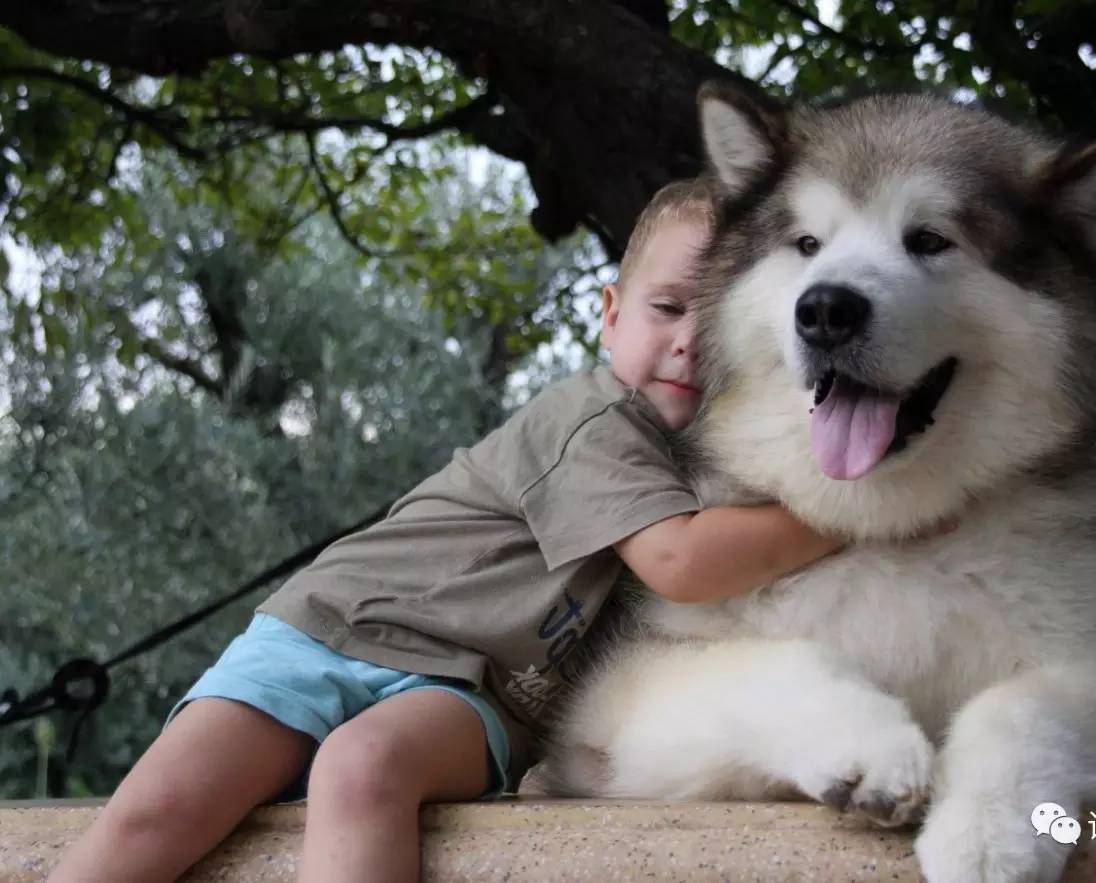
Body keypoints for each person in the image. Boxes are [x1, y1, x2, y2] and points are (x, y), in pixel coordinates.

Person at [49, 179, 846, 883]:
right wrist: (844, 517)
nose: (686, 342)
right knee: (151, 816)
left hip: (468, 692)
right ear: (609, 314)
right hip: (334, 630)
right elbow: (680, 561)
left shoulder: (721, 457)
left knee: (363, 766)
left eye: (715, 325)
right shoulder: (594, 416)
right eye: (668, 307)